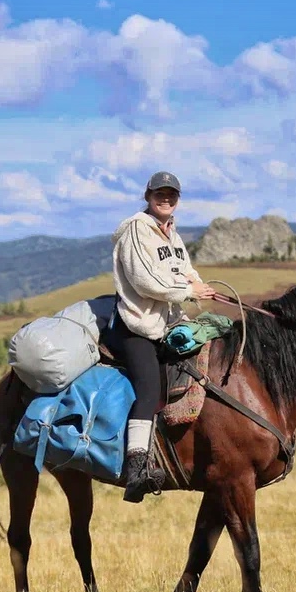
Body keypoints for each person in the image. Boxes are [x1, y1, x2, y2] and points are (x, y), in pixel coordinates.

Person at [107, 171, 215, 503]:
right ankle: (137, 466)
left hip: (168, 326)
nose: (165, 199)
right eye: (159, 194)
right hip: (138, 326)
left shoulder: (171, 234)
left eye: (171, 194)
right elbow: (145, 282)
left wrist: (201, 286)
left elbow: (186, 270)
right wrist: (188, 291)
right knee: (150, 387)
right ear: (147, 195)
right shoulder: (137, 230)